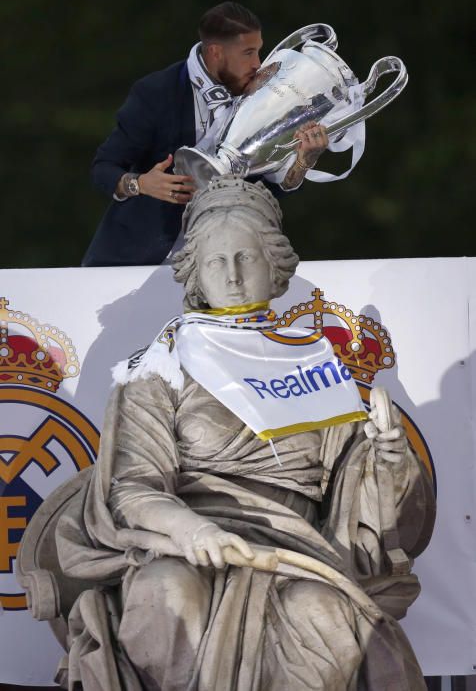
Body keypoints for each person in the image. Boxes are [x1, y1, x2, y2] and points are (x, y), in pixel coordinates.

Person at [57, 177, 435, 690]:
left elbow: (356, 497)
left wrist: (389, 463)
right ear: (195, 273)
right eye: (216, 261)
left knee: (322, 610)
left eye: (246, 257)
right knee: (165, 595)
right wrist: (195, 532)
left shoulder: (315, 364)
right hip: (186, 543)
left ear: (275, 266)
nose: (232, 276)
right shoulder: (161, 368)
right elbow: (131, 489)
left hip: (299, 550)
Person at [82, 2, 328, 267]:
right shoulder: (156, 92)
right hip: (134, 262)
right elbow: (103, 168)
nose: (258, 63)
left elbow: (266, 189)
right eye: (248, 53)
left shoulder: (263, 94)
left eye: (259, 51)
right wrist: (141, 184)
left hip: (221, 265)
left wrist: (303, 161)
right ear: (215, 53)